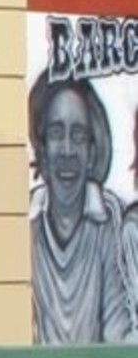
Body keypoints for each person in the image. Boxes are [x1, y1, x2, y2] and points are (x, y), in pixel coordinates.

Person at [28, 71, 130, 343]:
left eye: (79, 136)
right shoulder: (25, 223)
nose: (67, 150)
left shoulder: (111, 222)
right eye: (56, 133)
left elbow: (118, 332)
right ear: (42, 150)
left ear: (92, 153)